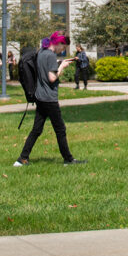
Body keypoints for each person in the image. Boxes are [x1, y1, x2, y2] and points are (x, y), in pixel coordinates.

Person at [15, 32, 85, 167]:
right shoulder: (51, 55)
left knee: (37, 129)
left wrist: (58, 63)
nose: (63, 50)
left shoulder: (41, 52)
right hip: (49, 98)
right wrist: (61, 67)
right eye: (63, 47)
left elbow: (44, 69)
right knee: (60, 129)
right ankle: (68, 159)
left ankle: (22, 159)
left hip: (40, 96)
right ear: (58, 43)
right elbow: (52, 77)